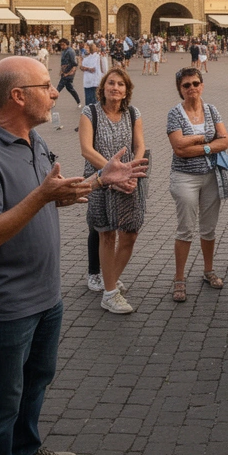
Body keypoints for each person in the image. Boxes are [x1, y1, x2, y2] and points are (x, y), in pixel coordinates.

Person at [0, 56, 147, 455]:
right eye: (46, 86)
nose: (57, 91)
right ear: (18, 97)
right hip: (5, 304)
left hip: (45, 296)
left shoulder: (34, 140)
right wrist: (41, 197)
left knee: (36, 381)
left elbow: (51, 194)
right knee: (0, 403)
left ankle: (25, 452)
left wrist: (99, 180)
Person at [79, 67, 146, 315]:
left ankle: (110, 280)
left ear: (126, 90)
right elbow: (87, 150)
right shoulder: (90, 112)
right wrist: (110, 173)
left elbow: (139, 145)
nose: (115, 87)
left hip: (129, 179)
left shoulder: (133, 113)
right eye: (111, 83)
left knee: (129, 233)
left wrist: (130, 171)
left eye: (120, 84)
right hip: (100, 180)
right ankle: (110, 293)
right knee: (106, 234)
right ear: (103, 88)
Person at [166, 66, 228, 302]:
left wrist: (200, 146)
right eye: (186, 85)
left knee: (209, 227)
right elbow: (179, 149)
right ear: (180, 89)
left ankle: (208, 270)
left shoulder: (212, 110)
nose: (192, 88)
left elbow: (225, 141)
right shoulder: (175, 113)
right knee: (185, 228)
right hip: (185, 178)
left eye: (195, 83)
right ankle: (179, 279)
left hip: (211, 176)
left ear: (201, 85)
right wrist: (206, 139)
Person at [55, 38, 81, 105]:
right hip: (65, 72)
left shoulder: (70, 51)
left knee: (59, 88)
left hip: (68, 73)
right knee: (70, 88)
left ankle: (52, 102)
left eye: (63, 45)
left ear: (67, 44)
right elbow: (63, 62)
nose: (61, 46)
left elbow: (73, 63)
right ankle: (78, 101)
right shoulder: (64, 51)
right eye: (61, 45)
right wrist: (61, 71)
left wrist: (67, 72)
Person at [80, 41, 102, 106]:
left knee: (91, 102)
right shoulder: (89, 58)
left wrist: (85, 68)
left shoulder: (96, 57)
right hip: (91, 81)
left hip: (93, 82)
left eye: (87, 47)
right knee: (93, 102)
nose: (85, 49)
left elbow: (92, 69)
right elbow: (82, 67)